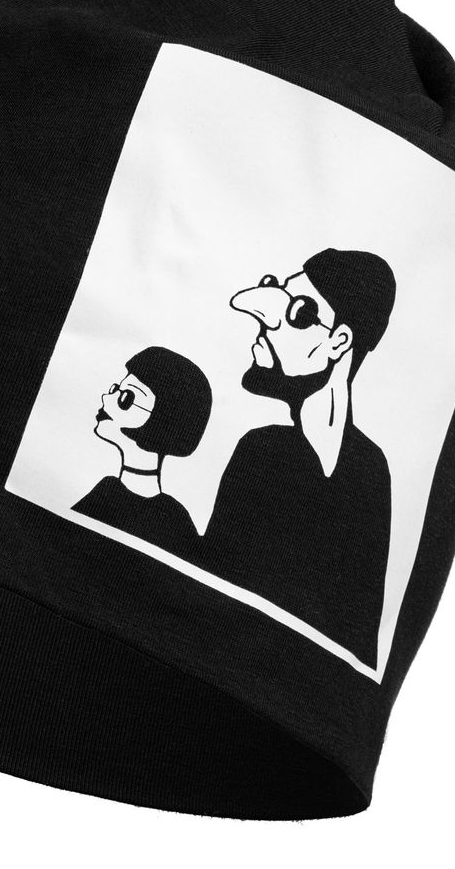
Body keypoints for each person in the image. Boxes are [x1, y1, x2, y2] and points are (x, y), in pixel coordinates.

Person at [203, 249, 396, 666]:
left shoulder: (370, 471)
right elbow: (210, 589)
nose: (265, 323)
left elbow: (361, 636)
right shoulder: (259, 452)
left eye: (300, 313)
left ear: (339, 341)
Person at [73, 346, 212, 555]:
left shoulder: (173, 519)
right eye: (114, 389)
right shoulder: (106, 490)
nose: (105, 398)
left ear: (163, 421)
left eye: (126, 398)